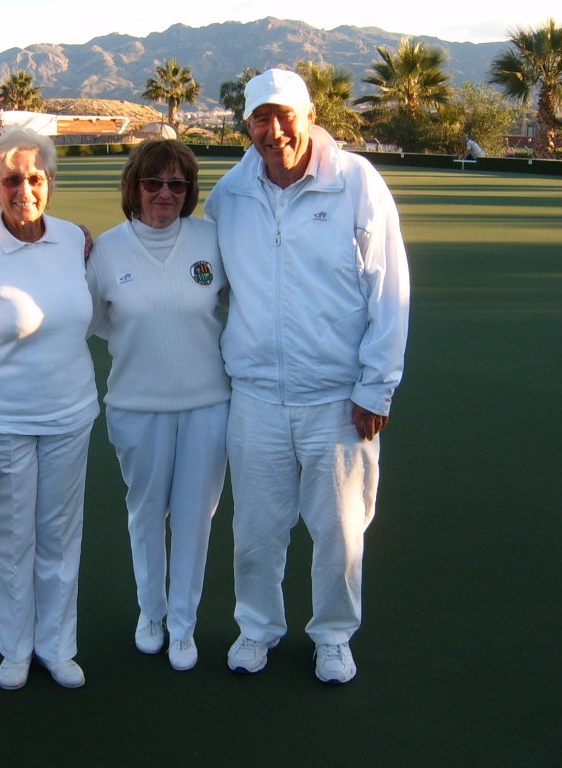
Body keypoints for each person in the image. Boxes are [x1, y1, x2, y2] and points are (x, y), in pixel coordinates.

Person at [204, 69, 410, 684]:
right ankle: (256, 628)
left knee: (341, 532)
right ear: (247, 125)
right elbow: (205, 278)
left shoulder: (357, 182)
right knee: (254, 533)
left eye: (285, 116)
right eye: (260, 119)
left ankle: (333, 636)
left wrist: (376, 388)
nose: (274, 131)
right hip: (256, 398)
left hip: (338, 400)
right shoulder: (230, 194)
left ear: (310, 115)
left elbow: (389, 293)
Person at [0, 127, 98, 690]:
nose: (24, 190)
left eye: (35, 178)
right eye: (11, 180)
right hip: (3, 428)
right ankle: (15, 648)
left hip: (70, 420)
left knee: (60, 540)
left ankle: (57, 647)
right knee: (12, 545)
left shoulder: (74, 241)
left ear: (50, 181)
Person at [86, 140, 229, 671]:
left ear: (189, 191)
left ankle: (183, 625)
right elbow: (95, 321)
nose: (165, 193)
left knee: (194, 518)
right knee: (146, 512)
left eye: (177, 184)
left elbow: (239, 301)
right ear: (135, 187)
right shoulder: (105, 251)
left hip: (207, 406)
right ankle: (152, 612)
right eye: (153, 182)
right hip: (136, 407)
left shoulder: (212, 240)